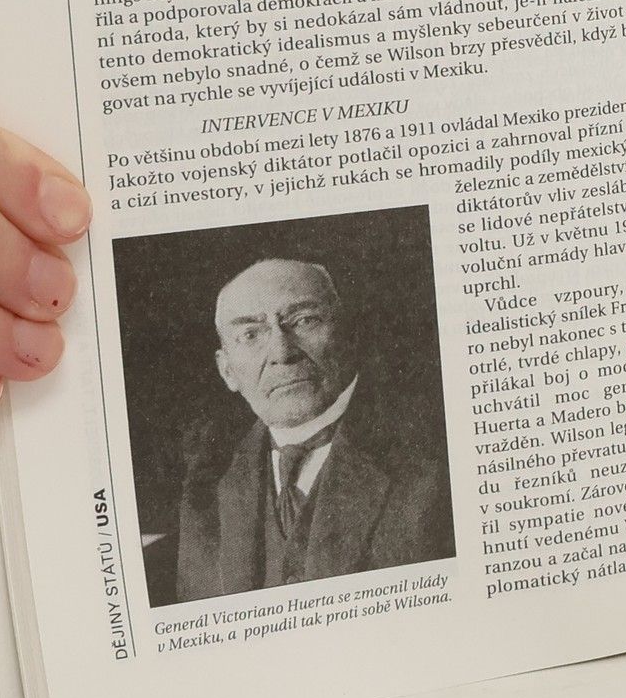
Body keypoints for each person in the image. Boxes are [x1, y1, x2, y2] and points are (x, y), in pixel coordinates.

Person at [169, 256, 455, 602]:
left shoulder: (437, 457)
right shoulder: (207, 482)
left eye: (304, 320)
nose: (282, 352)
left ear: (349, 336)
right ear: (227, 370)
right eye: (250, 334)